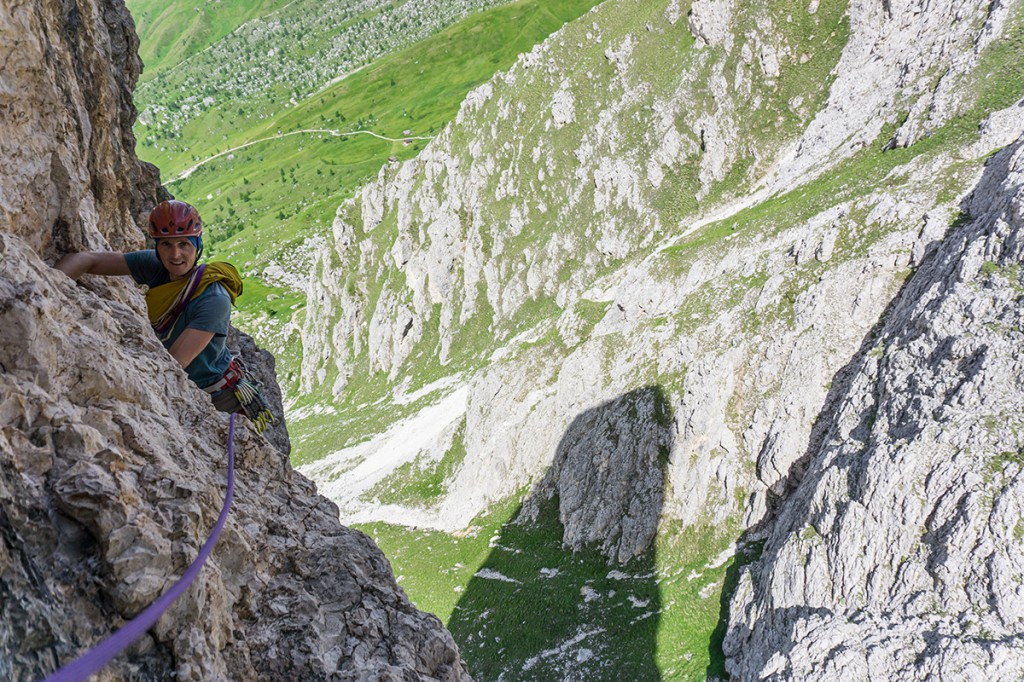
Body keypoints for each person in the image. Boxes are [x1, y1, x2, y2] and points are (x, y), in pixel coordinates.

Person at [55, 200, 274, 431]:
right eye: (166, 245)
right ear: (157, 247)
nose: (176, 254)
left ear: (197, 245)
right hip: (188, 388)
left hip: (220, 399)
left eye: (184, 244)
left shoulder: (213, 299)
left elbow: (174, 362)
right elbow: (87, 260)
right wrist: (47, 289)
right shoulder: (156, 266)